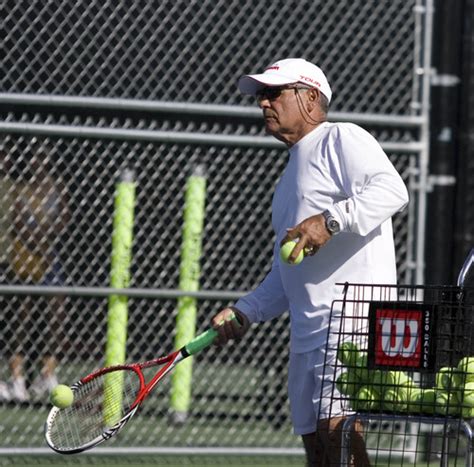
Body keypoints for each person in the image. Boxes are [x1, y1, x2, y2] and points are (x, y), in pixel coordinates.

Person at [211, 58, 409, 466]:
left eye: (273, 93)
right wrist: (245, 310)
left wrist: (329, 220)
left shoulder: (342, 138)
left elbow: (393, 191)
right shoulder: (286, 182)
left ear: (310, 98)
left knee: (338, 441)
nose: (264, 103)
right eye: (261, 96)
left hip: (351, 322)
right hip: (308, 333)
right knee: (317, 449)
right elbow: (287, 274)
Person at [1, 143, 69, 401]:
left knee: (56, 311)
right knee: (21, 313)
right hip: (25, 256)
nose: (37, 163)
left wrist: (48, 237)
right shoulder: (19, 189)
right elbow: (17, 222)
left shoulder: (57, 187)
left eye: (42, 158)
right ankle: (17, 378)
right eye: (33, 159)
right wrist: (39, 241)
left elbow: (64, 217)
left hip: (50, 258)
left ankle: (46, 373)